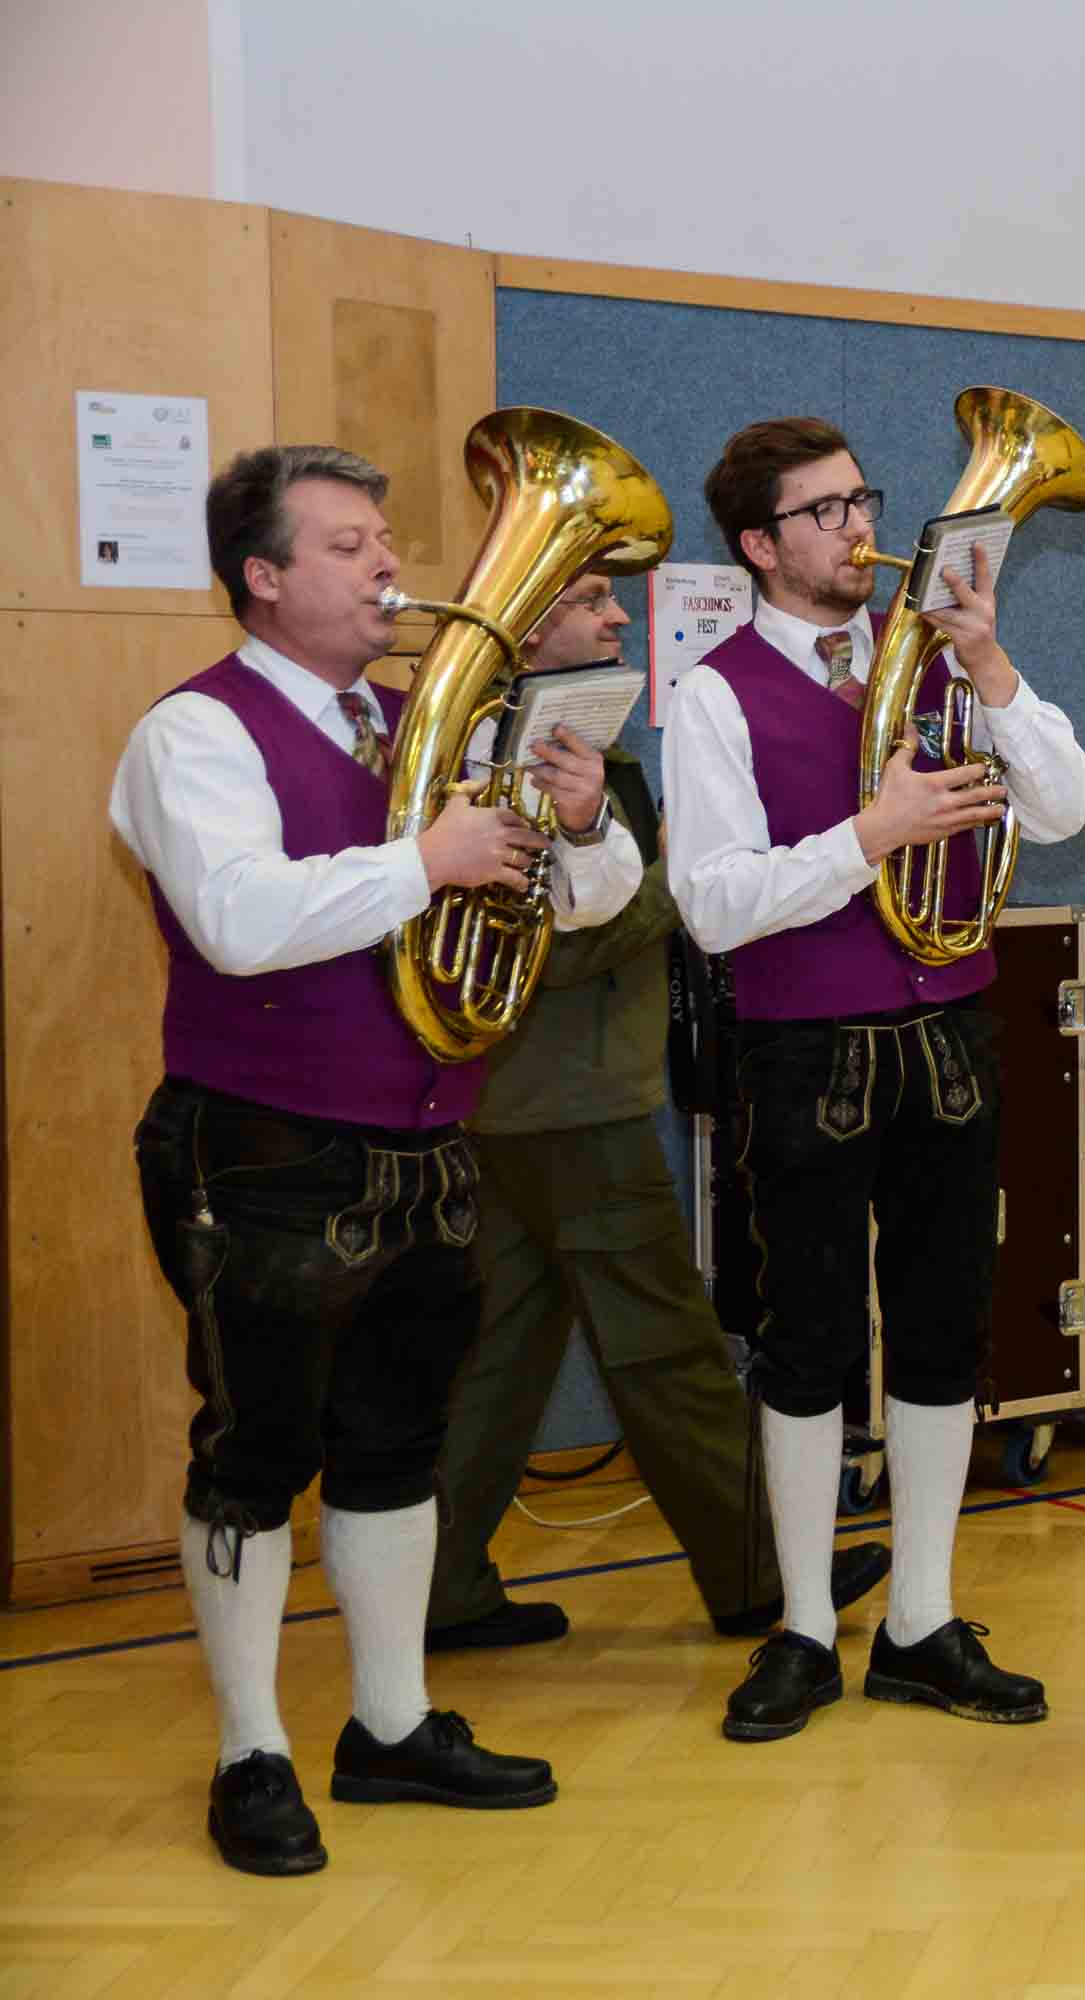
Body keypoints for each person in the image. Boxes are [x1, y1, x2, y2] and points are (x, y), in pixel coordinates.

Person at [111, 443, 642, 1875]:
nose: (389, 564)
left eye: (386, 538)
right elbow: (237, 918)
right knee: (254, 1453)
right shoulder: (194, 733)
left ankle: (390, 1725)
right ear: (262, 577)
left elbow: (585, 904)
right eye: (347, 545)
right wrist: (429, 861)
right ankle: (251, 1752)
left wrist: (580, 823)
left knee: (397, 1446)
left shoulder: (432, 724)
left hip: (424, 1145)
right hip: (260, 1147)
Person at [669, 416, 1085, 1742]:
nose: (860, 528)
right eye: (826, 512)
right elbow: (714, 903)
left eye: (863, 501)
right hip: (806, 1047)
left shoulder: (942, 660)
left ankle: (920, 1618)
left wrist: (995, 666)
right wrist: (875, 833)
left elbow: (1069, 807)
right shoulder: (715, 693)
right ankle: (804, 1625)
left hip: (953, 1034)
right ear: (759, 545)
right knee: (805, 1341)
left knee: (941, 1331)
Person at [423, 572, 891, 1654]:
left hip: (525, 1102)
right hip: (570, 1104)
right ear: (527, 624)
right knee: (670, 1348)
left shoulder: (561, 753)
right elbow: (554, 943)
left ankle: (440, 1586)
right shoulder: (503, 761)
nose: (619, 616)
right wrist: (673, 876)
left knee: (502, 1355)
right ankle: (760, 1574)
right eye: (590, 598)